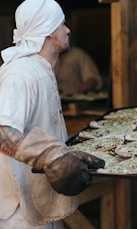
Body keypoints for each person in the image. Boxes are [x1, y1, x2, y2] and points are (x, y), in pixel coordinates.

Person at [0, 0, 105, 228]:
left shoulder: (39, 69)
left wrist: (64, 153)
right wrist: (51, 156)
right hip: (20, 213)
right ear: (48, 31)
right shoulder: (21, 74)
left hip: (39, 201)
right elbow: (2, 132)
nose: (67, 30)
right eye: (62, 24)